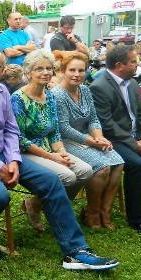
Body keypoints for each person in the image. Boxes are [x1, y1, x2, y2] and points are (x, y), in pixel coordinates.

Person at [0, 46, 118, 270]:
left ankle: (76, 252)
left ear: (2, 70)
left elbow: (11, 130)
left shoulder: (1, 91)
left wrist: (13, 160)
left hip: (1, 154)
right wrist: (0, 166)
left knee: (51, 181)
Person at [89, 44, 141, 243]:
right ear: (119, 65)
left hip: (138, 138)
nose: (137, 65)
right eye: (133, 62)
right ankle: (137, 220)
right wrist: (135, 144)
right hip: (114, 141)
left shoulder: (132, 83)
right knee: (136, 165)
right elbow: (107, 125)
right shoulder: (99, 87)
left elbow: (140, 114)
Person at [10, 50, 93, 231]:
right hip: (26, 152)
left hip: (49, 148)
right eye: (39, 69)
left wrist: (61, 152)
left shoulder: (50, 96)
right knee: (68, 177)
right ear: (28, 72)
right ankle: (58, 218)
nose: (45, 72)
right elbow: (19, 139)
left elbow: (54, 131)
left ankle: (36, 204)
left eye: (48, 68)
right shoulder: (18, 99)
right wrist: (52, 157)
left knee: (85, 171)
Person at [51, 51, 124, 229]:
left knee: (118, 162)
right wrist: (92, 141)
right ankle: (92, 213)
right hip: (65, 142)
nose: (77, 74)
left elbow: (93, 119)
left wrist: (99, 137)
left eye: (81, 70)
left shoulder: (85, 90)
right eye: (72, 70)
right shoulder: (57, 94)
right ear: (63, 71)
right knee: (102, 169)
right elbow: (64, 129)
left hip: (88, 138)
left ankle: (105, 212)